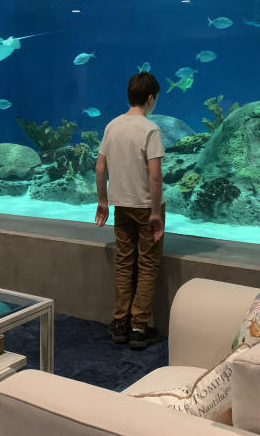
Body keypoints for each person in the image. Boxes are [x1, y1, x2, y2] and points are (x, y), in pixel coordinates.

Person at [95, 72, 165, 350]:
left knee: (124, 263)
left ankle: (120, 323)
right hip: (146, 207)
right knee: (147, 265)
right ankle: (139, 327)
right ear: (150, 98)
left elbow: (100, 167)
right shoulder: (150, 129)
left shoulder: (112, 126)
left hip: (120, 205)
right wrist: (156, 211)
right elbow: (155, 175)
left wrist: (102, 200)